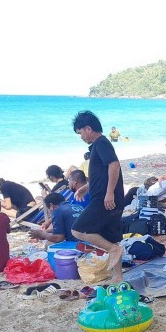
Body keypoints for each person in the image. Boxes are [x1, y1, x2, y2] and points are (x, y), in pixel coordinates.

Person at [69, 110, 126, 283]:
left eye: (80, 133)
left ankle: (113, 251)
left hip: (104, 199)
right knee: (111, 238)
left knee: (78, 229)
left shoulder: (101, 143)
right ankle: (118, 278)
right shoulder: (98, 145)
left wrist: (109, 193)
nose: (80, 137)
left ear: (88, 128)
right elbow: (101, 173)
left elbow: (114, 165)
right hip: (107, 197)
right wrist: (86, 186)